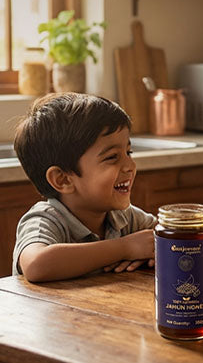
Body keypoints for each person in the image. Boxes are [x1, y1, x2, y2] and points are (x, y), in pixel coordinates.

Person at [12, 93, 156, 281]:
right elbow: (36, 264)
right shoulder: (46, 220)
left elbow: (170, 237)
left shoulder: (124, 217)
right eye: (112, 157)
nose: (130, 166)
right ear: (63, 180)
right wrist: (125, 248)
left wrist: (154, 251)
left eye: (128, 152)